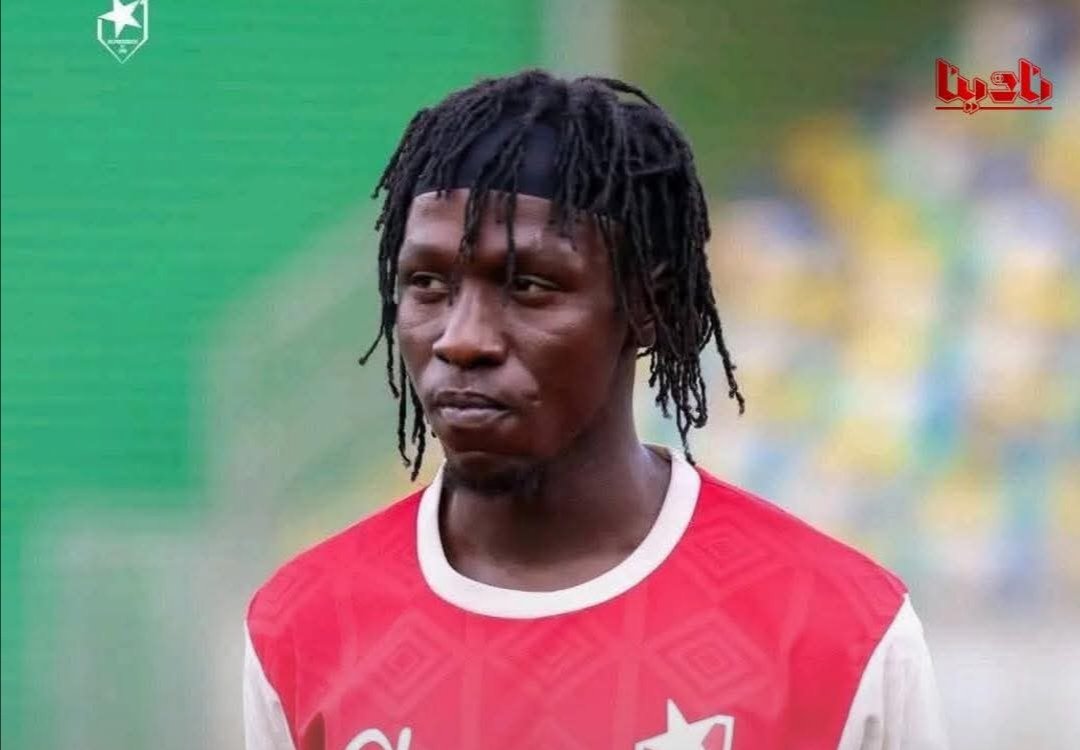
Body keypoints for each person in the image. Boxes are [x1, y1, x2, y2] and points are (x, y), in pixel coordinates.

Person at [243, 69, 948, 750]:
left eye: (528, 286)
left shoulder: (839, 631)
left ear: (649, 306)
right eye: (427, 283)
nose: (461, 338)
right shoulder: (302, 628)